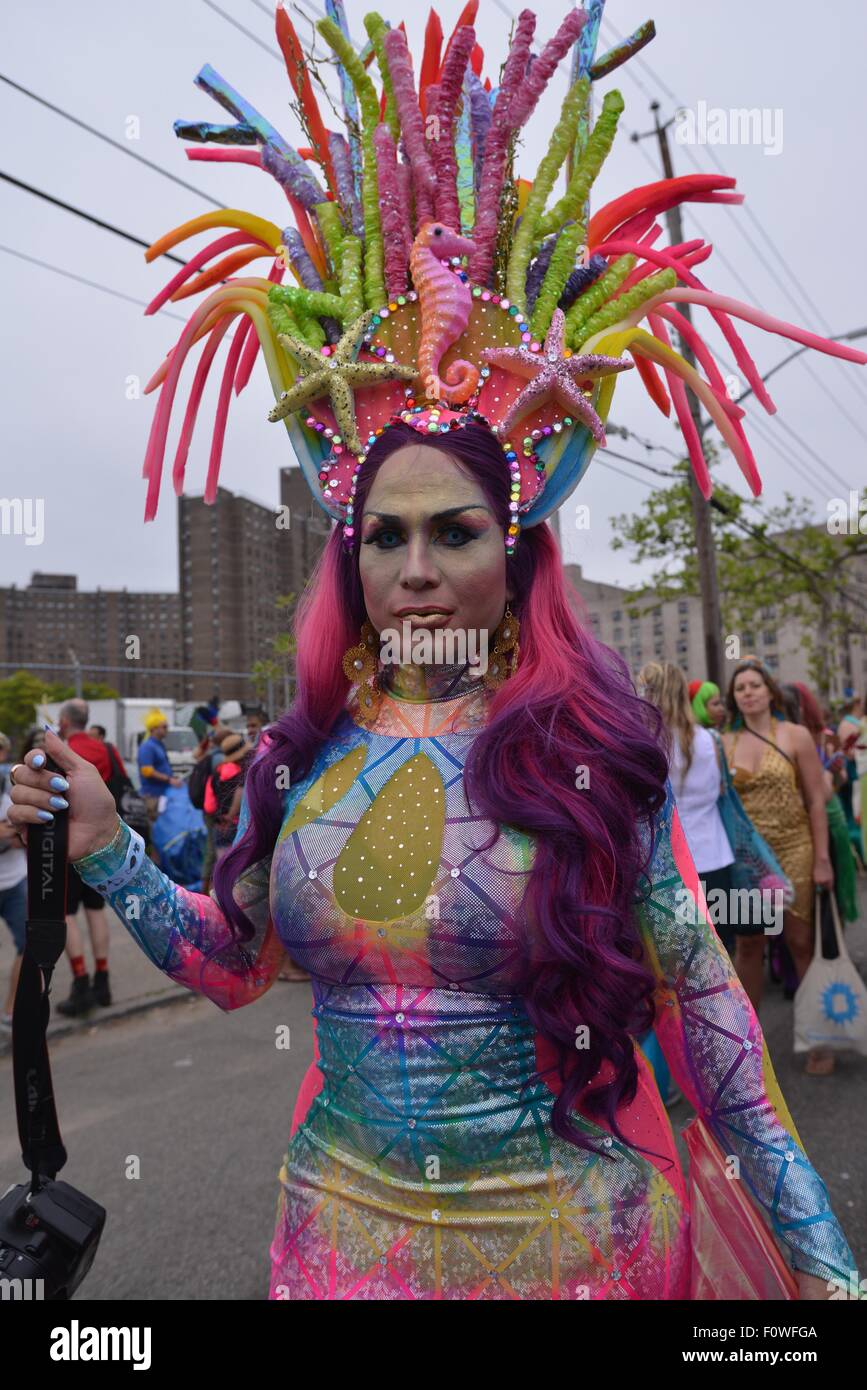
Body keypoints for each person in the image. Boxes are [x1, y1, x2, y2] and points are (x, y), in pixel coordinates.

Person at [12, 0, 864, 1301]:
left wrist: (823, 1272)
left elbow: (713, 1032)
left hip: (587, 1265)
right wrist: (105, 846)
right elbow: (231, 966)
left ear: (513, 551)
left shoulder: (591, 760)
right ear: (348, 556)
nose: (414, 563)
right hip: (335, 1264)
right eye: (383, 531)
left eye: (451, 528)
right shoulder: (298, 757)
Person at [722, 660, 836, 1075]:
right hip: (748, 862)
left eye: (755, 685)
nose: (748, 692)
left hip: (794, 849)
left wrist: (823, 859)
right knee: (749, 947)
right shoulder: (724, 742)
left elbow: (816, 801)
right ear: (734, 697)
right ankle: (748, 1049)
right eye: (740, 688)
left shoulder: (796, 735)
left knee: (800, 943)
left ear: (770, 691)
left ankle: (817, 1040)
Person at [640, 663, 735, 957]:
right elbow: (721, 790)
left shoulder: (645, 745)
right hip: (715, 856)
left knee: (682, 958)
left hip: (668, 865)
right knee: (721, 954)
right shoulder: (712, 740)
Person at [55, 699, 116, 1014]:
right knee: (95, 910)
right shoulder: (104, 749)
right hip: (100, 844)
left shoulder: (61, 752)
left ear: (64, 721)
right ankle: (102, 980)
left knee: (66, 914)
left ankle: (81, 983)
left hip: (68, 843)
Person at [0, 778, 27, 1029]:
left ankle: (11, 1010)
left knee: (28, 945)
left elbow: (24, 838)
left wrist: (10, 833)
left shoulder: (9, 801)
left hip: (16, 882)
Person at [137, 709, 182, 822]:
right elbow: (146, 771)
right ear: (153, 729)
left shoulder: (158, 744)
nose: (167, 729)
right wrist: (169, 779)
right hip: (153, 796)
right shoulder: (147, 746)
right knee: (155, 828)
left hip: (162, 794)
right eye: (164, 727)